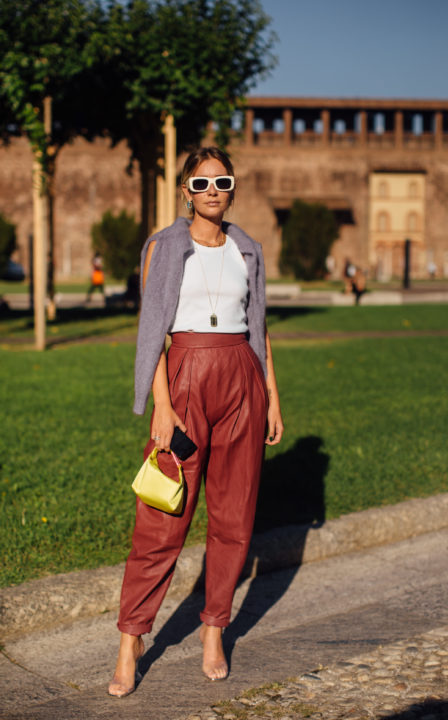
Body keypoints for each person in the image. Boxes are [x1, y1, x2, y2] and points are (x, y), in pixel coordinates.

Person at [109, 147, 284, 697]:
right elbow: (151, 331)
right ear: (185, 189)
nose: (213, 190)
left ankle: (214, 630)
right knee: (162, 515)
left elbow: (259, 328)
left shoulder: (247, 250)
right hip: (183, 380)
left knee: (234, 517)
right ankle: (131, 638)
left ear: (233, 189)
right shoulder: (163, 247)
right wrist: (161, 404)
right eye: (201, 182)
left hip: (241, 381)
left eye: (222, 181)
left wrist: (272, 396)